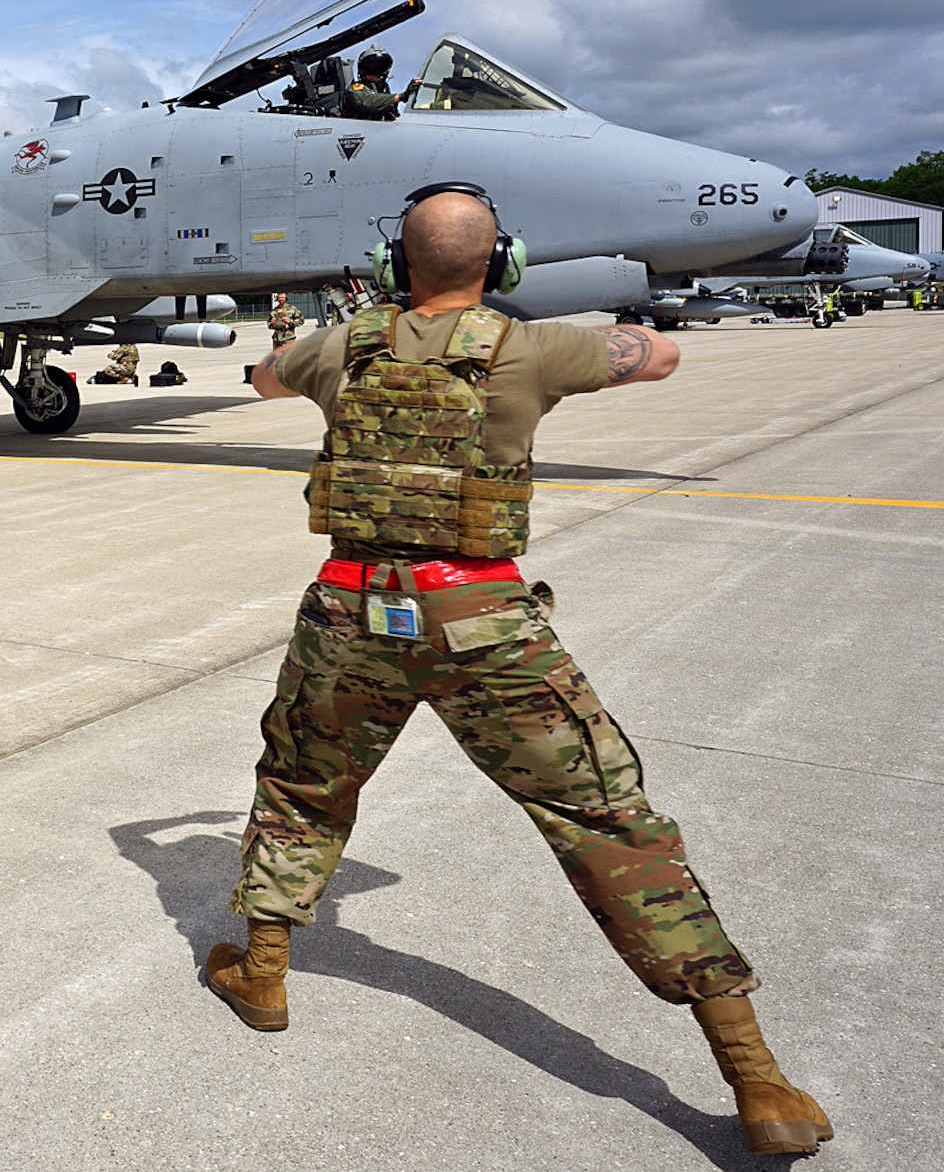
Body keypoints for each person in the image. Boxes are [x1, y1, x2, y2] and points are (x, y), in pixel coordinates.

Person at [207, 187, 831, 1158]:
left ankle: (262, 973)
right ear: (501, 266)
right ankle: (755, 1076)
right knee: (604, 818)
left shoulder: (341, 345)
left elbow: (258, 378)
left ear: (389, 267)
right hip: (481, 619)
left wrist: (340, 338)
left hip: (349, 610)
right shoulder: (524, 346)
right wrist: (605, 340)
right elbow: (658, 354)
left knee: (300, 786)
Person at [341, 47, 400, 121]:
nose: (377, 72)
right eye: (372, 68)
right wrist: (399, 97)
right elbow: (368, 101)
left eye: (382, 68)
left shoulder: (384, 90)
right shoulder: (354, 90)